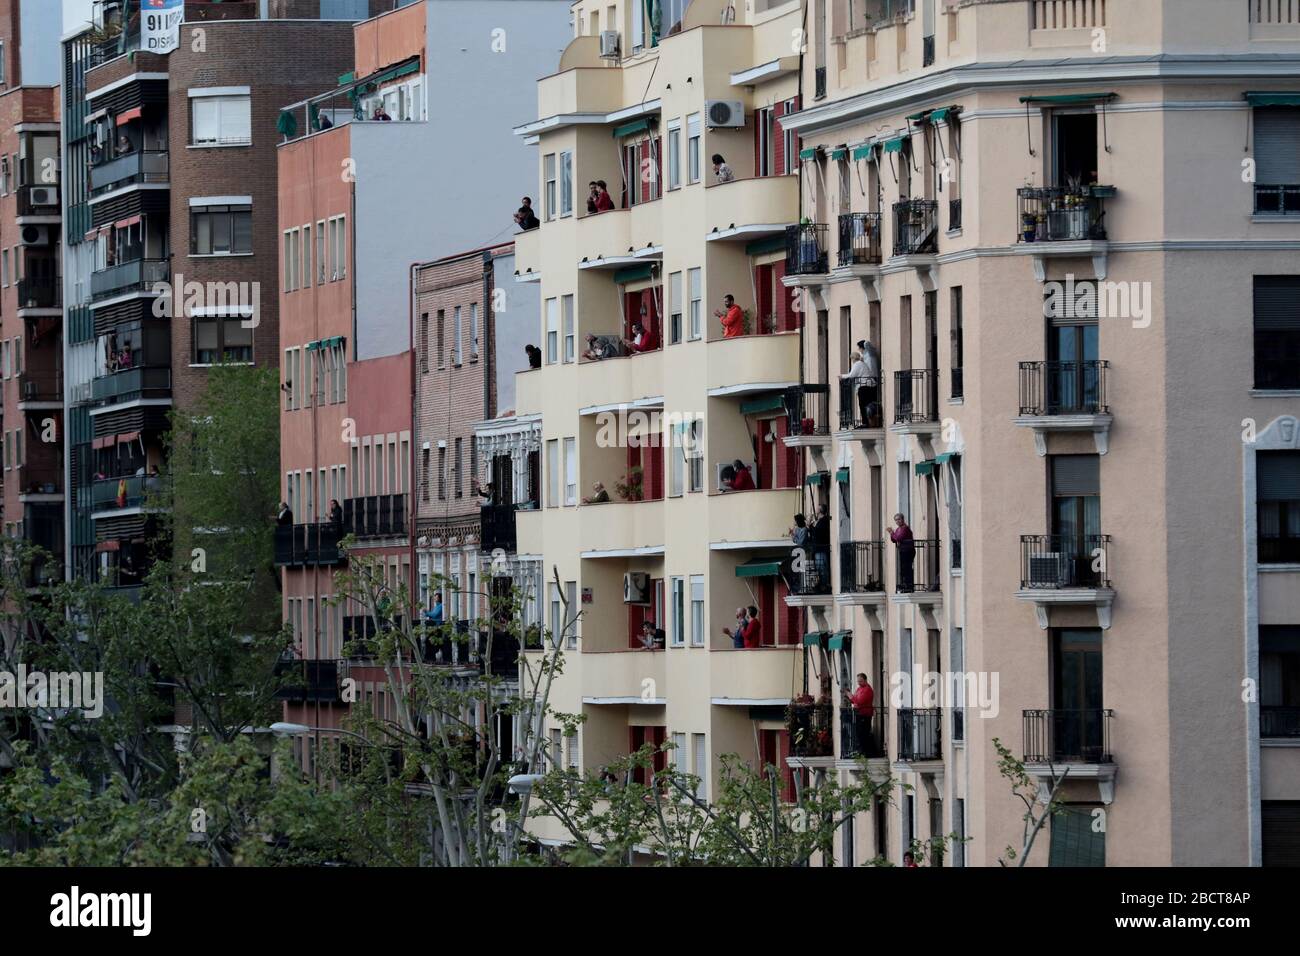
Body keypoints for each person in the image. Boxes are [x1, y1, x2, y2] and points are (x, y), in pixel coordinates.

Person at [841, 349, 880, 427]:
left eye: (851, 359)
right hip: (871, 386)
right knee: (871, 405)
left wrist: (841, 376)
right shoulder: (863, 363)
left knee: (863, 405)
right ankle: (873, 422)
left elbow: (852, 375)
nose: (851, 361)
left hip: (864, 387)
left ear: (853, 358)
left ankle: (866, 422)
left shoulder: (857, 364)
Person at [848, 673, 877, 757]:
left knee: (863, 734)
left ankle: (864, 752)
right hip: (859, 714)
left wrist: (851, 696)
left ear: (865, 680)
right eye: (858, 681)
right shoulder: (859, 689)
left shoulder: (867, 689)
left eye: (860, 681)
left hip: (865, 715)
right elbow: (855, 701)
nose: (859, 683)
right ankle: (860, 751)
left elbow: (859, 701)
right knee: (859, 733)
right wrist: (850, 698)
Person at [891, 512, 916, 592]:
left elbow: (899, 538)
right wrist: (893, 535)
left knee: (907, 568)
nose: (897, 521)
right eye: (896, 520)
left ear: (902, 519)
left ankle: (908, 586)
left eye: (898, 519)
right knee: (903, 569)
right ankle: (904, 584)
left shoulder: (905, 528)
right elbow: (894, 540)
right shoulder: (898, 529)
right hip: (903, 551)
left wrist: (892, 533)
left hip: (908, 551)